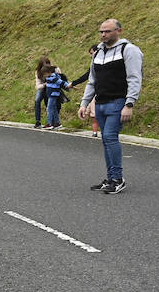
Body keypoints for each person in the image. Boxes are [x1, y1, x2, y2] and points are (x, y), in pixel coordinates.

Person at [78, 19, 142, 194]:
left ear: (119, 31)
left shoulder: (129, 50)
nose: (103, 34)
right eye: (101, 32)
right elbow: (92, 80)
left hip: (118, 102)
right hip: (101, 103)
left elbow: (134, 78)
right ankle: (110, 177)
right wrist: (84, 103)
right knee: (106, 140)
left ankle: (118, 179)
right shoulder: (98, 52)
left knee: (110, 137)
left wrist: (129, 104)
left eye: (107, 31)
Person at [41, 64, 69, 130]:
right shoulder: (49, 77)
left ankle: (49, 123)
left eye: (45, 74)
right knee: (54, 109)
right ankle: (57, 123)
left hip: (53, 95)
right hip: (50, 94)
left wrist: (68, 85)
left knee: (49, 108)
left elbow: (62, 82)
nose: (44, 76)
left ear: (49, 72)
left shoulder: (54, 78)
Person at [32, 56, 53, 129]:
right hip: (42, 87)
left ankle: (51, 121)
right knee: (37, 100)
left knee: (49, 103)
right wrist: (44, 85)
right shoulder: (38, 72)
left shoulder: (54, 69)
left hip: (52, 88)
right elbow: (37, 86)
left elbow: (61, 78)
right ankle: (38, 121)